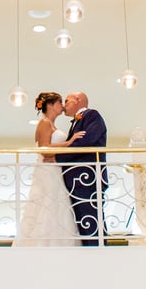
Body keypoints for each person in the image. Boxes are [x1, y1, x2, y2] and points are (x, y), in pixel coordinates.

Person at [13, 91, 85, 246]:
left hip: (55, 170)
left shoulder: (51, 125)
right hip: (48, 170)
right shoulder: (44, 123)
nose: (62, 106)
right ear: (51, 105)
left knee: (58, 205)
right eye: (60, 102)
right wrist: (69, 143)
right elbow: (44, 149)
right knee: (47, 202)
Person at [56, 91, 108, 246]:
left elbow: (85, 142)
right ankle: (90, 251)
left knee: (90, 219)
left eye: (67, 101)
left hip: (87, 178)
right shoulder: (76, 122)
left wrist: (58, 157)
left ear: (77, 100)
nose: (64, 105)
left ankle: (98, 252)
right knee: (82, 221)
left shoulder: (92, 115)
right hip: (77, 180)